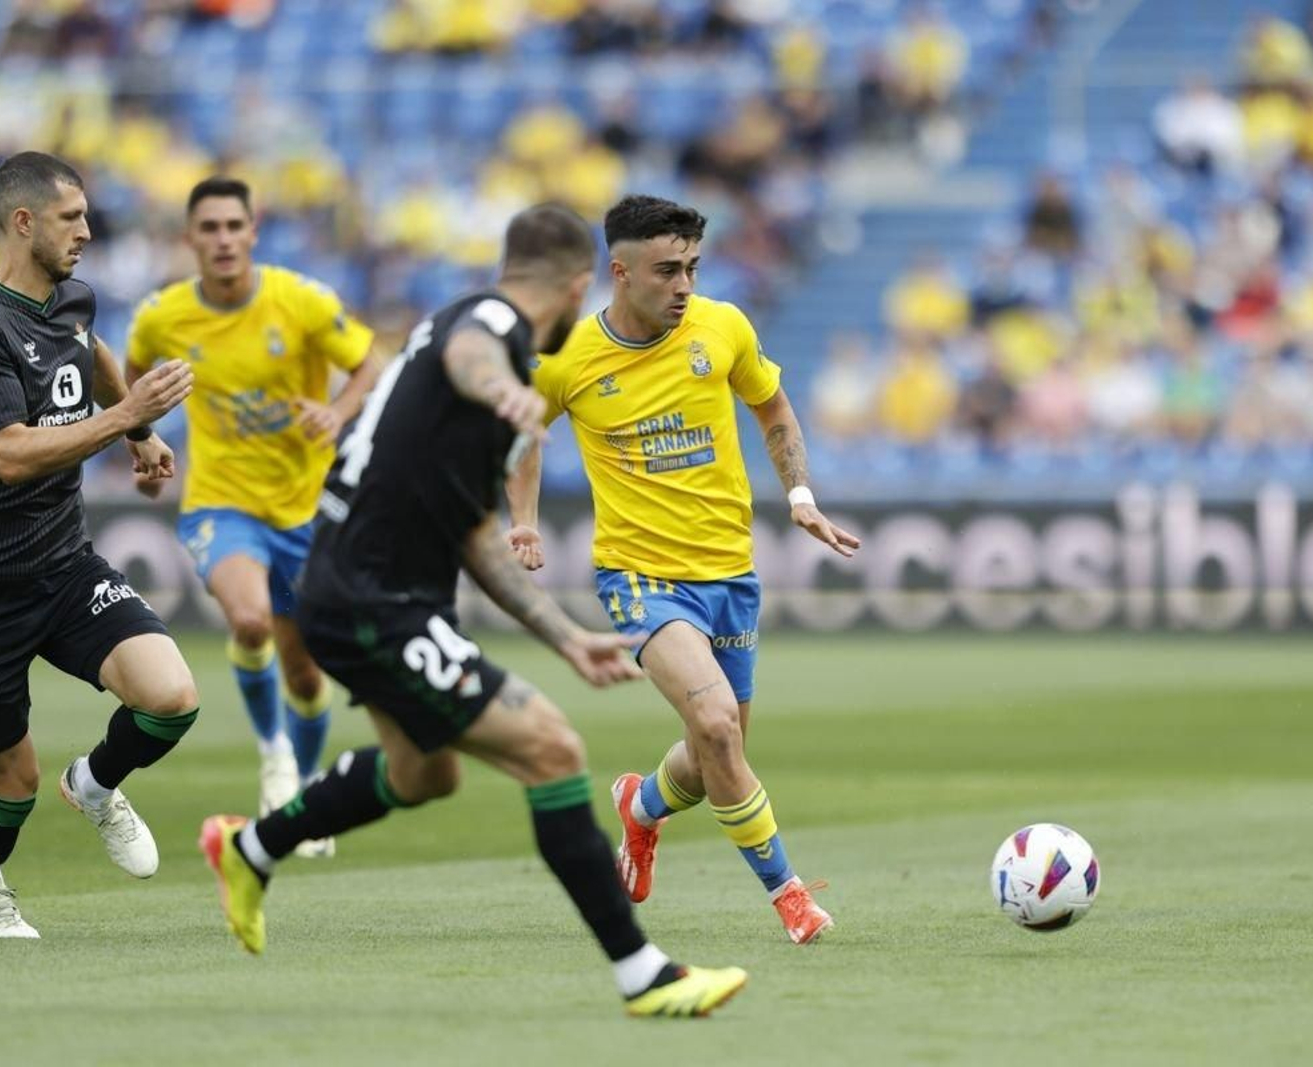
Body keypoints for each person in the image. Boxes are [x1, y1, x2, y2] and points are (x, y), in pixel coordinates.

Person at [199, 203, 747, 1018]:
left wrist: (565, 636)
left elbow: (476, 537)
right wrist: (504, 389)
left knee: (425, 773)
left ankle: (251, 847)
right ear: (574, 284)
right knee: (553, 749)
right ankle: (645, 974)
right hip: (371, 601)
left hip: (367, 592)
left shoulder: (475, 355)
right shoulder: (489, 326)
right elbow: (472, 354)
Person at [505, 194, 859, 945]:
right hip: (639, 576)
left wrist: (799, 494)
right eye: (668, 270)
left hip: (729, 573)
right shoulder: (566, 357)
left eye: (693, 267)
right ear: (620, 271)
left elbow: (774, 409)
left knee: (713, 756)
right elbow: (526, 435)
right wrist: (525, 520)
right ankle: (790, 894)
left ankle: (641, 806)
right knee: (715, 723)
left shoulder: (723, 327)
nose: (685, 285)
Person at [0, 151, 200, 938]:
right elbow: (6, 454)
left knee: (172, 696)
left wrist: (138, 429)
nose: (87, 229)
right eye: (72, 217)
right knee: (10, 783)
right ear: (23, 221)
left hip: (63, 564)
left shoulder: (72, 297)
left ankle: (99, 783)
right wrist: (123, 419)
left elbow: (92, 352)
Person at [127, 177, 379, 851]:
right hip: (221, 500)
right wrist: (141, 438)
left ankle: (307, 783)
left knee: (304, 669)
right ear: (190, 239)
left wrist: (337, 411)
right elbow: (131, 374)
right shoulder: (163, 316)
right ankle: (274, 756)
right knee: (247, 617)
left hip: (302, 508)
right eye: (208, 228)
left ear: (253, 232)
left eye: (234, 225)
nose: (223, 239)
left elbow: (367, 363)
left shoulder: (299, 300)